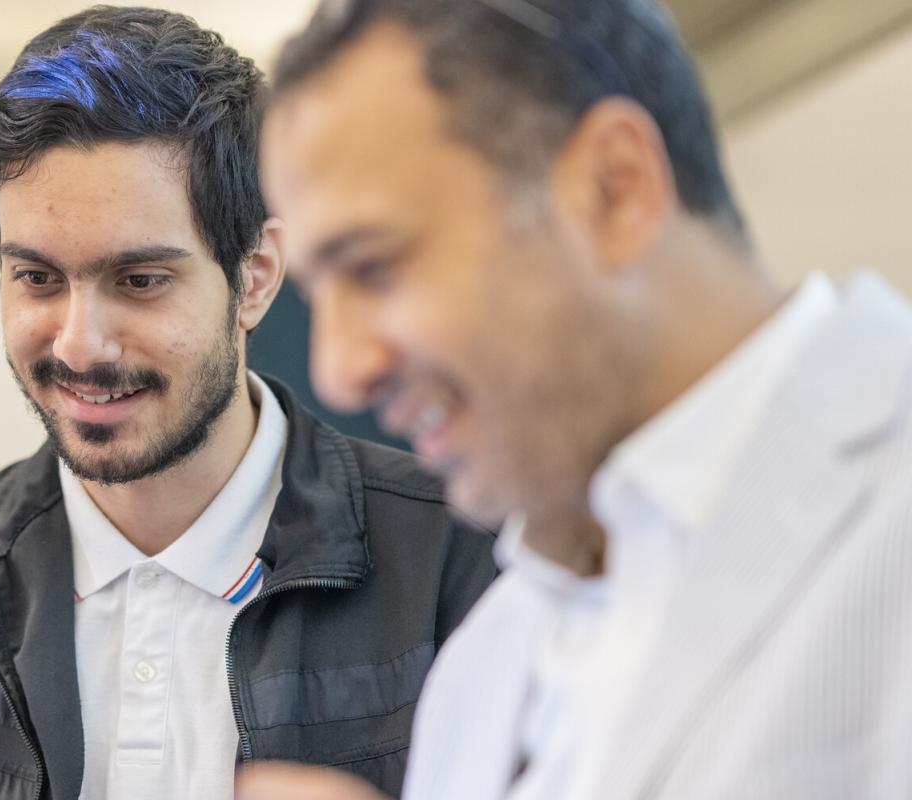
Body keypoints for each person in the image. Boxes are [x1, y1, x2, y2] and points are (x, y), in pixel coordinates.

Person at [0, 7, 499, 800]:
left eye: (140, 281)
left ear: (254, 276)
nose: (81, 345)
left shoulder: (457, 566)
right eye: (38, 278)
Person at [239, 0, 912, 798]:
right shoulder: (488, 657)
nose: (338, 374)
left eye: (376, 268)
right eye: (320, 296)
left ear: (613, 189)